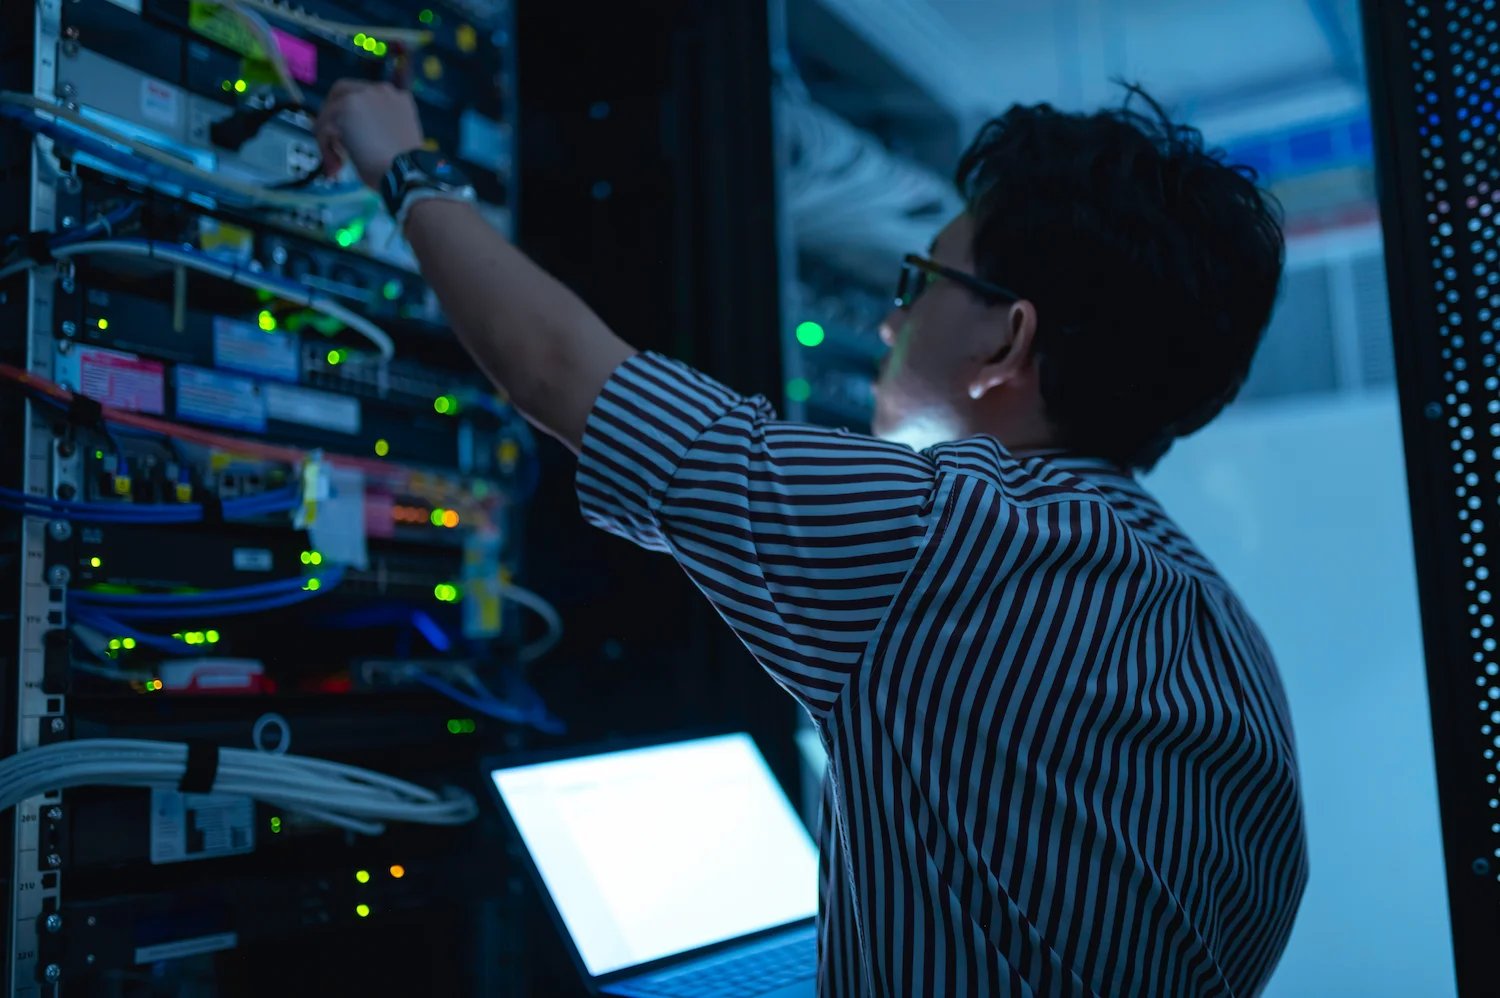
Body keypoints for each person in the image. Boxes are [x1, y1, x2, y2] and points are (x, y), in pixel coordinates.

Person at [315, 80, 1307, 997]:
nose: (886, 325)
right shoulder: (1232, 640)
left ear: (1006, 343)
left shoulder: (949, 531)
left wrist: (402, 168)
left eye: (917, 282)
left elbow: (558, 371)